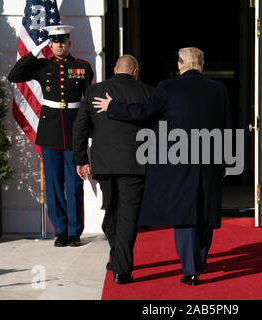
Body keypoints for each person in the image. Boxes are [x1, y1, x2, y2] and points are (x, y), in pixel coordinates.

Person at [93, 47, 233, 286]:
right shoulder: (219, 90)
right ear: (201, 64)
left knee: (185, 213)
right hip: (211, 157)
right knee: (205, 211)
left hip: (179, 161)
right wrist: (228, 160)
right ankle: (200, 259)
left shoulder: (168, 87)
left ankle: (191, 271)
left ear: (180, 64)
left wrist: (113, 106)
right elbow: (228, 126)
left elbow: (142, 111)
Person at [8, 25, 94, 247]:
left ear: (69, 42)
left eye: (62, 40)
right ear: (50, 43)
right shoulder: (42, 66)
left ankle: (75, 232)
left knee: (74, 186)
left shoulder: (82, 67)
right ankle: (61, 231)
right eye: (54, 41)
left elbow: (90, 103)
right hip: (50, 132)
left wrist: (90, 133)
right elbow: (14, 75)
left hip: (75, 131)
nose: (59, 44)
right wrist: (35, 51)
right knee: (54, 185)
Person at [72, 55, 155, 284]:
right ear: (135, 71)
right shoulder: (147, 92)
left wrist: (81, 159)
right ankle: (122, 267)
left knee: (111, 209)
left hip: (104, 162)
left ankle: (117, 259)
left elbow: (80, 127)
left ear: (115, 69)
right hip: (134, 163)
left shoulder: (94, 91)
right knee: (127, 215)